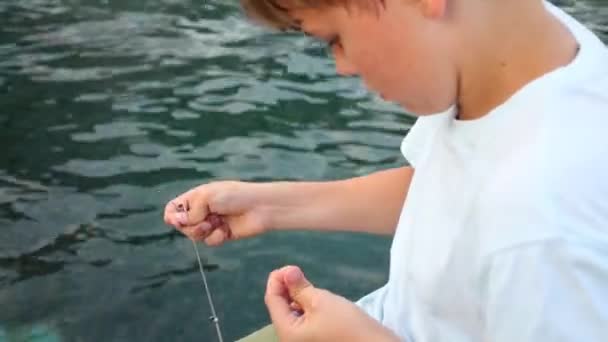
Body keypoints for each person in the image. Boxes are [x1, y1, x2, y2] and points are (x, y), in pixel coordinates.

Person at [164, 0, 608, 341]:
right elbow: (450, 190)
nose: (341, 67)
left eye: (334, 38)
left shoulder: (546, 231)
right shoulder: (518, 45)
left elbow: (509, 217)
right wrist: (267, 205)